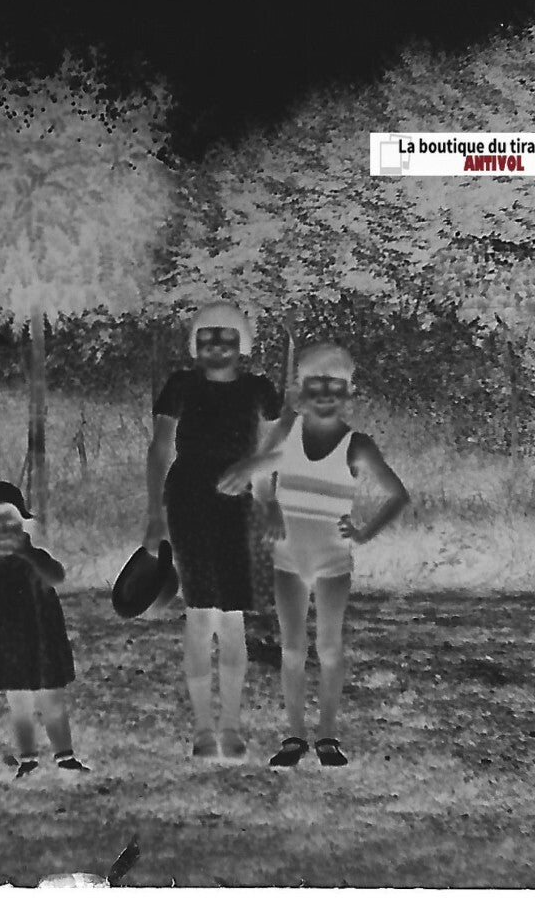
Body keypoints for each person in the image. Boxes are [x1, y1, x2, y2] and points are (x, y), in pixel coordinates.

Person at [219, 343, 410, 768]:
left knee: (328, 646)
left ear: (349, 391)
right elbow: (264, 470)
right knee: (290, 647)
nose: (325, 392)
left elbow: (398, 495)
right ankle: (294, 736)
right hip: (288, 559)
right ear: (301, 390)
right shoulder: (289, 433)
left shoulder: (357, 445)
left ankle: (327, 735)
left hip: (332, 563)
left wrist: (363, 534)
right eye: (316, 383)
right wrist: (265, 503)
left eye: (335, 385)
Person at [143, 302, 283, 761]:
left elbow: (286, 444)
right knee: (201, 616)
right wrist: (154, 515)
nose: (216, 347)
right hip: (189, 506)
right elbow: (161, 451)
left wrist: (259, 479)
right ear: (194, 346)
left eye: (226, 338)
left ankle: (232, 727)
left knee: (232, 619)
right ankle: (203, 728)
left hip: (240, 511)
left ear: (242, 344)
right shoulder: (181, 387)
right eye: (206, 339)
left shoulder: (259, 389)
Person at [0, 481, 88, 780]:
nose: (6, 528)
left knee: (53, 702)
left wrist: (29, 552)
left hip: (42, 637)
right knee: (19, 705)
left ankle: (65, 756)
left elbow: (57, 576)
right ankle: (29, 759)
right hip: (7, 641)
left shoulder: (36, 554)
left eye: (12, 520)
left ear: (24, 523)